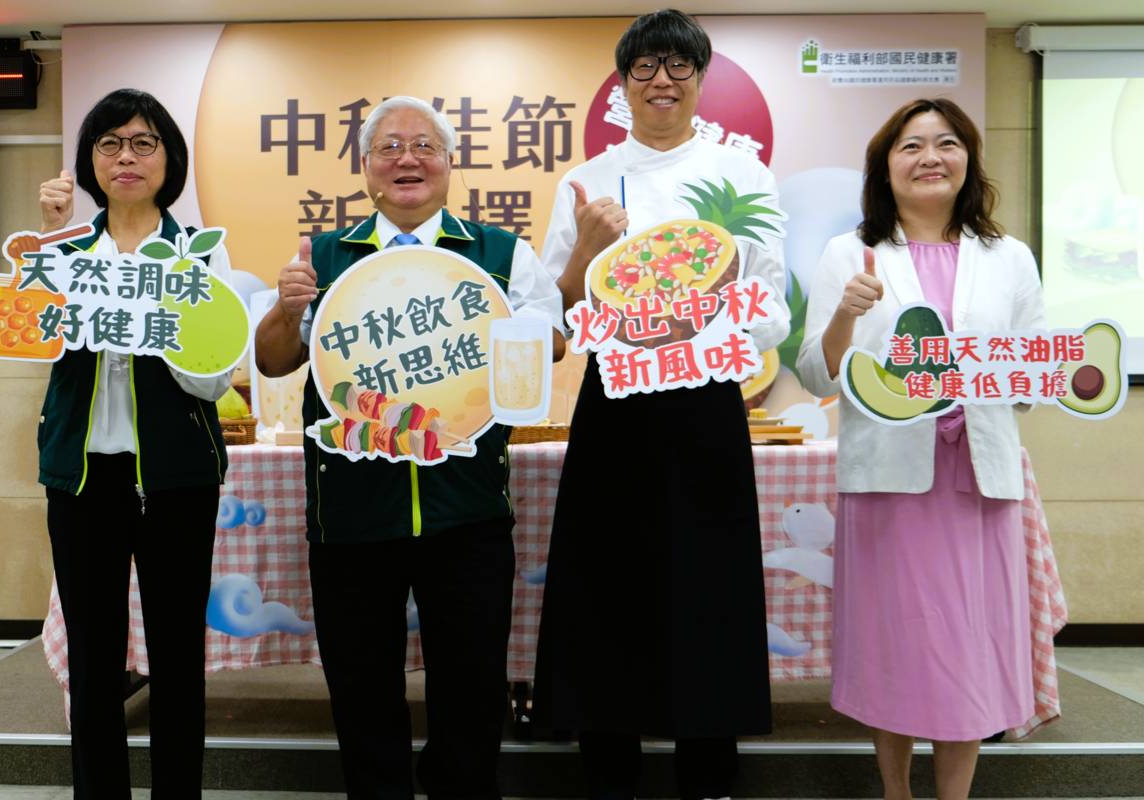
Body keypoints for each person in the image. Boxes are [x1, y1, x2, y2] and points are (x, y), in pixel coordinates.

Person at [253, 95, 565, 799]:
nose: (407, 159)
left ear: (450, 163)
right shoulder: (325, 258)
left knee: (471, 686)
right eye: (389, 147)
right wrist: (287, 307)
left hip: (468, 511)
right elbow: (273, 362)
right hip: (353, 512)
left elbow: (553, 338)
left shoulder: (499, 252)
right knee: (362, 688)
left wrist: (505, 326)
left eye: (424, 145)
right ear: (366, 168)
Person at [532, 10, 789, 800]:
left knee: (708, 584)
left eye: (679, 65)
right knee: (604, 584)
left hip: (706, 400)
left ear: (701, 80)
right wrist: (583, 253)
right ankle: (607, 764)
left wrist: (705, 307)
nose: (662, 80)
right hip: (614, 403)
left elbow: (773, 310)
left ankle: (708, 769)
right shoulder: (586, 181)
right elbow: (556, 319)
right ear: (622, 84)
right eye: (645, 67)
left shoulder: (742, 176)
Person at [796, 98, 1043, 800]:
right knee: (895, 643)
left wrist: (1013, 375)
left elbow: (1029, 380)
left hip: (977, 478)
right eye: (911, 145)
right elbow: (818, 371)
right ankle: (896, 790)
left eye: (946, 143)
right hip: (889, 480)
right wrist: (846, 312)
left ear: (968, 159)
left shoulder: (1009, 257)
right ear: (885, 166)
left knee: (970, 645)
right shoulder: (849, 252)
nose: (930, 156)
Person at [36, 88, 232, 799]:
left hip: (178, 478)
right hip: (82, 478)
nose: (127, 156)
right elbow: (31, 346)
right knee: (94, 661)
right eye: (110, 143)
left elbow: (213, 386)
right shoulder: (64, 251)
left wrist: (162, 318)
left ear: (168, 159)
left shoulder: (200, 254)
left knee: (179, 658)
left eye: (143, 142)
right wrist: (52, 238)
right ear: (90, 161)